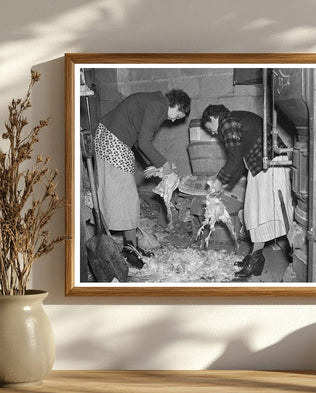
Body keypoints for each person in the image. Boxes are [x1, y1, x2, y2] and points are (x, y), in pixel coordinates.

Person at [94, 89, 191, 268]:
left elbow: (140, 142)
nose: (173, 120)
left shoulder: (154, 102)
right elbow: (145, 142)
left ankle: (131, 247)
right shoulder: (158, 106)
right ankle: (129, 249)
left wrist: (153, 165)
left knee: (125, 197)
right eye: (178, 115)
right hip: (114, 142)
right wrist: (165, 164)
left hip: (111, 139)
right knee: (128, 198)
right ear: (177, 105)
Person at [201, 104, 293, 281]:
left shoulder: (227, 122)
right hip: (263, 165)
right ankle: (255, 257)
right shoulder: (237, 119)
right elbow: (238, 161)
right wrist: (225, 183)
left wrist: (219, 181)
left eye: (209, 128)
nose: (212, 132)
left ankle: (293, 253)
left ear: (213, 118)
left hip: (271, 165)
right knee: (255, 214)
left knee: (275, 214)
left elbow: (234, 158)